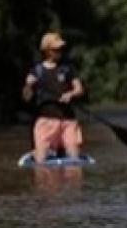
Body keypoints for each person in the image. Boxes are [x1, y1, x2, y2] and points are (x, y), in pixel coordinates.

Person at [22, 32, 85, 163]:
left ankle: (65, 152)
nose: (59, 51)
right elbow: (26, 97)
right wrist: (28, 86)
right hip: (46, 121)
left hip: (67, 121)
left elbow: (79, 89)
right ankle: (38, 153)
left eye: (61, 49)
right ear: (47, 51)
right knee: (41, 159)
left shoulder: (67, 69)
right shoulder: (37, 71)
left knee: (74, 156)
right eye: (56, 49)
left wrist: (70, 94)